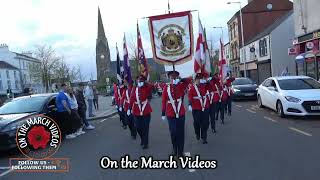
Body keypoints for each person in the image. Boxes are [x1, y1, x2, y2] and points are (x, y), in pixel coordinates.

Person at [161, 71, 191, 157]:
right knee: (173, 132)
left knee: (181, 133)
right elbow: (163, 101)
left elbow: (189, 80)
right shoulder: (166, 88)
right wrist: (163, 112)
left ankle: (180, 151)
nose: (173, 79)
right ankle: (175, 148)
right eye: (172, 77)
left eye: (175, 77)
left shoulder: (181, 85)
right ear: (169, 78)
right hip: (171, 113)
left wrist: (181, 79)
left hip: (181, 112)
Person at [129, 75, 153, 149]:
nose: (139, 81)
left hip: (146, 110)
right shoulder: (134, 88)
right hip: (136, 110)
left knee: (145, 128)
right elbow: (132, 98)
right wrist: (129, 108)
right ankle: (142, 138)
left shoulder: (146, 87)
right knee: (138, 127)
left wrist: (146, 83)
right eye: (138, 80)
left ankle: (145, 143)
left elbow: (152, 86)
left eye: (141, 80)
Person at [188, 73, 210, 144]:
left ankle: (204, 137)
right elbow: (190, 97)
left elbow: (210, 87)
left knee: (205, 123)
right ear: (195, 80)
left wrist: (207, 80)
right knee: (197, 122)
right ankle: (197, 133)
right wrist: (190, 104)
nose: (199, 80)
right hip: (196, 108)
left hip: (204, 107)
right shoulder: (192, 88)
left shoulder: (204, 86)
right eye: (197, 79)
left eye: (200, 79)